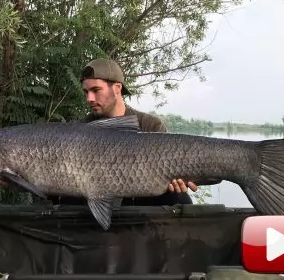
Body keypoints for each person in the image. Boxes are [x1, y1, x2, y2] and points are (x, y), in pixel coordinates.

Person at [76, 58, 198, 206]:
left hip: (142, 201)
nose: (89, 98)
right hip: (98, 197)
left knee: (179, 198)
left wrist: (178, 183)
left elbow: (172, 173)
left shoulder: (150, 126)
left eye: (95, 90)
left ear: (117, 88)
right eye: (86, 92)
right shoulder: (81, 128)